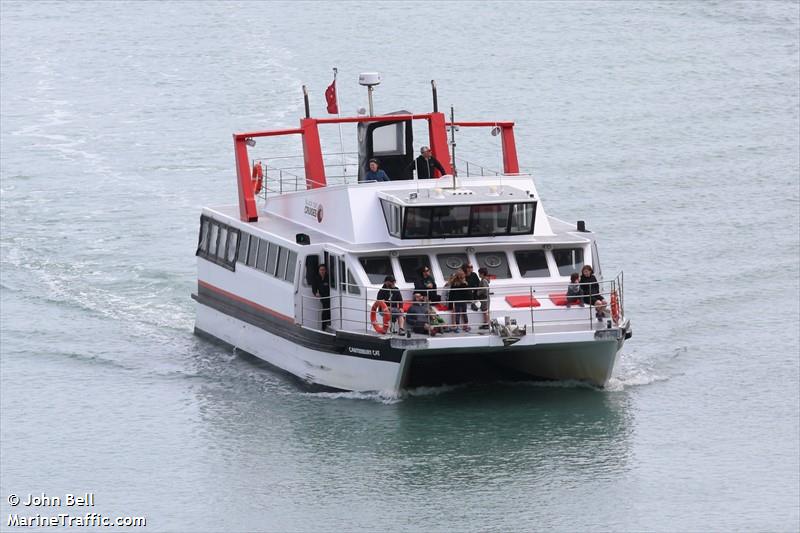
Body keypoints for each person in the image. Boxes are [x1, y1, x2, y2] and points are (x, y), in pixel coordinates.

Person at [311, 263, 331, 330]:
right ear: (319, 271)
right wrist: (316, 293)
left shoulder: (328, 278)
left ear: (325, 270)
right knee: (325, 309)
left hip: (329, 296)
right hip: (323, 296)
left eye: (323, 270)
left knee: (327, 309)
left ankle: (327, 322)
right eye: (321, 270)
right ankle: (323, 326)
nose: (322, 271)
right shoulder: (316, 278)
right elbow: (314, 288)